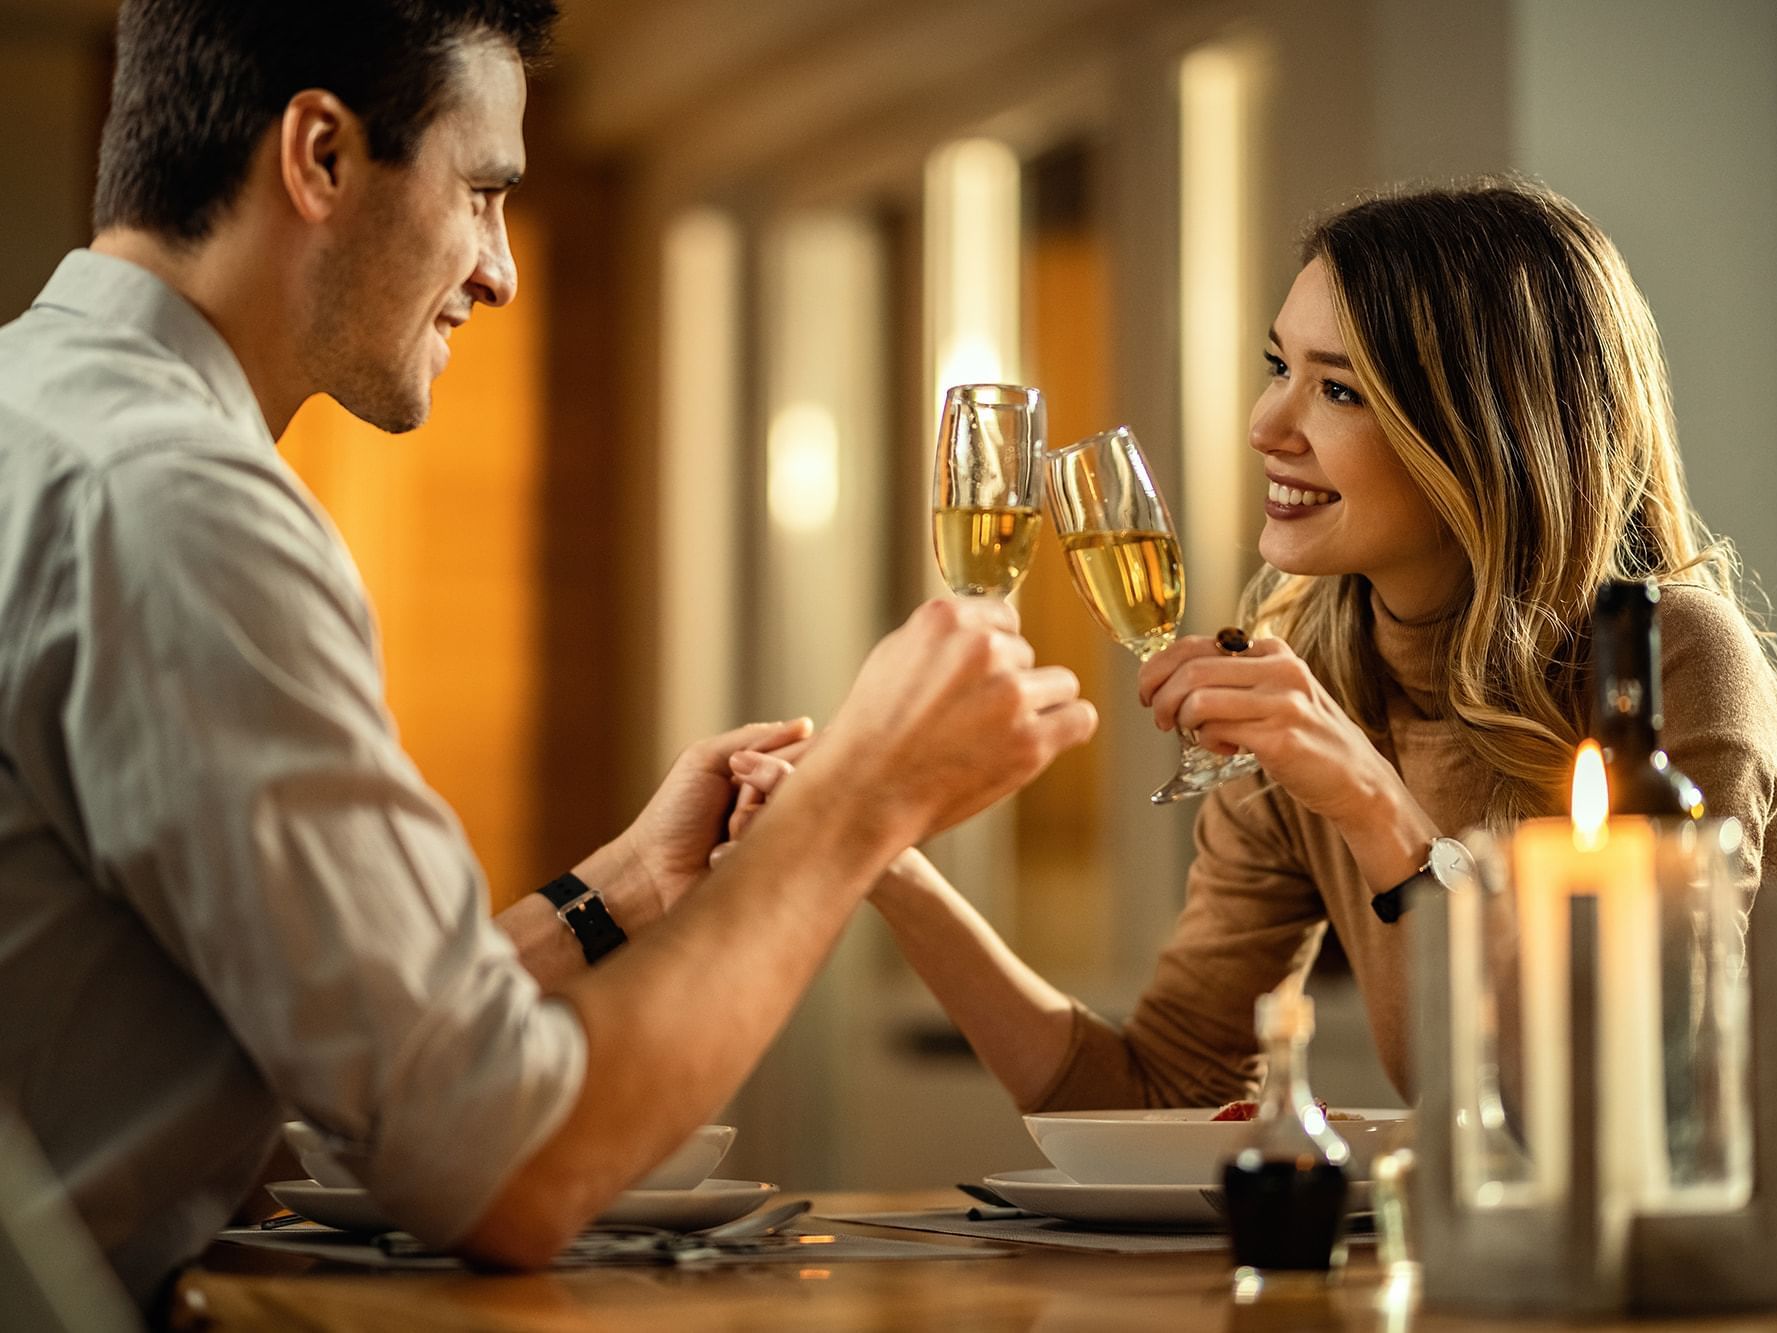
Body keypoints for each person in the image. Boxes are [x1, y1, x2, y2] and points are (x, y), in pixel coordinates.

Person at [0, 0, 1097, 1306]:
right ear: (321, 158)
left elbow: (358, 1048)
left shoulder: (45, 414)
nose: (500, 270)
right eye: (481, 193)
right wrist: (865, 801)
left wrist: (622, 888)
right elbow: (500, 1166)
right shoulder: (178, 506)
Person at [731, 178, 1777, 1113]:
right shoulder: (1314, 680)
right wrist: (880, 854)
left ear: (1485, 430)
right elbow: (1161, 1089)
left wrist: (1373, 807)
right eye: (1279, 365)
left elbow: (1649, 1092)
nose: (1266, 422)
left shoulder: (1667, 662)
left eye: (1338, 388)